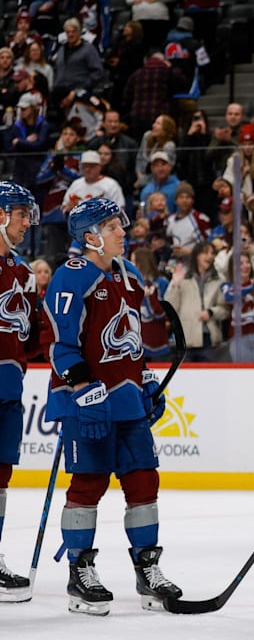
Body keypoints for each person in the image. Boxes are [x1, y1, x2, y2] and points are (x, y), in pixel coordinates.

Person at [44, 197, 181, 615]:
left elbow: (131, 341)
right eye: (112, 226)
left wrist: (145, 380)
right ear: (90, 237)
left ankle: (147, 568)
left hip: (125, 401)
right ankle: (79, 571)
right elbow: (60, 346)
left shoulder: (130, 275)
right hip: (84, 401)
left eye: (121, 224)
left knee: (144, 482)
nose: (123, 231)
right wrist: (83, 387)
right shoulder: (71, 276)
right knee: (87, 486)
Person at [0, 184, 41, 601]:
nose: (27, 222)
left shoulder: (25, 273)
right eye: (20, 214)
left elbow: (34, 339)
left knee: (0, 477)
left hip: (9, 387)